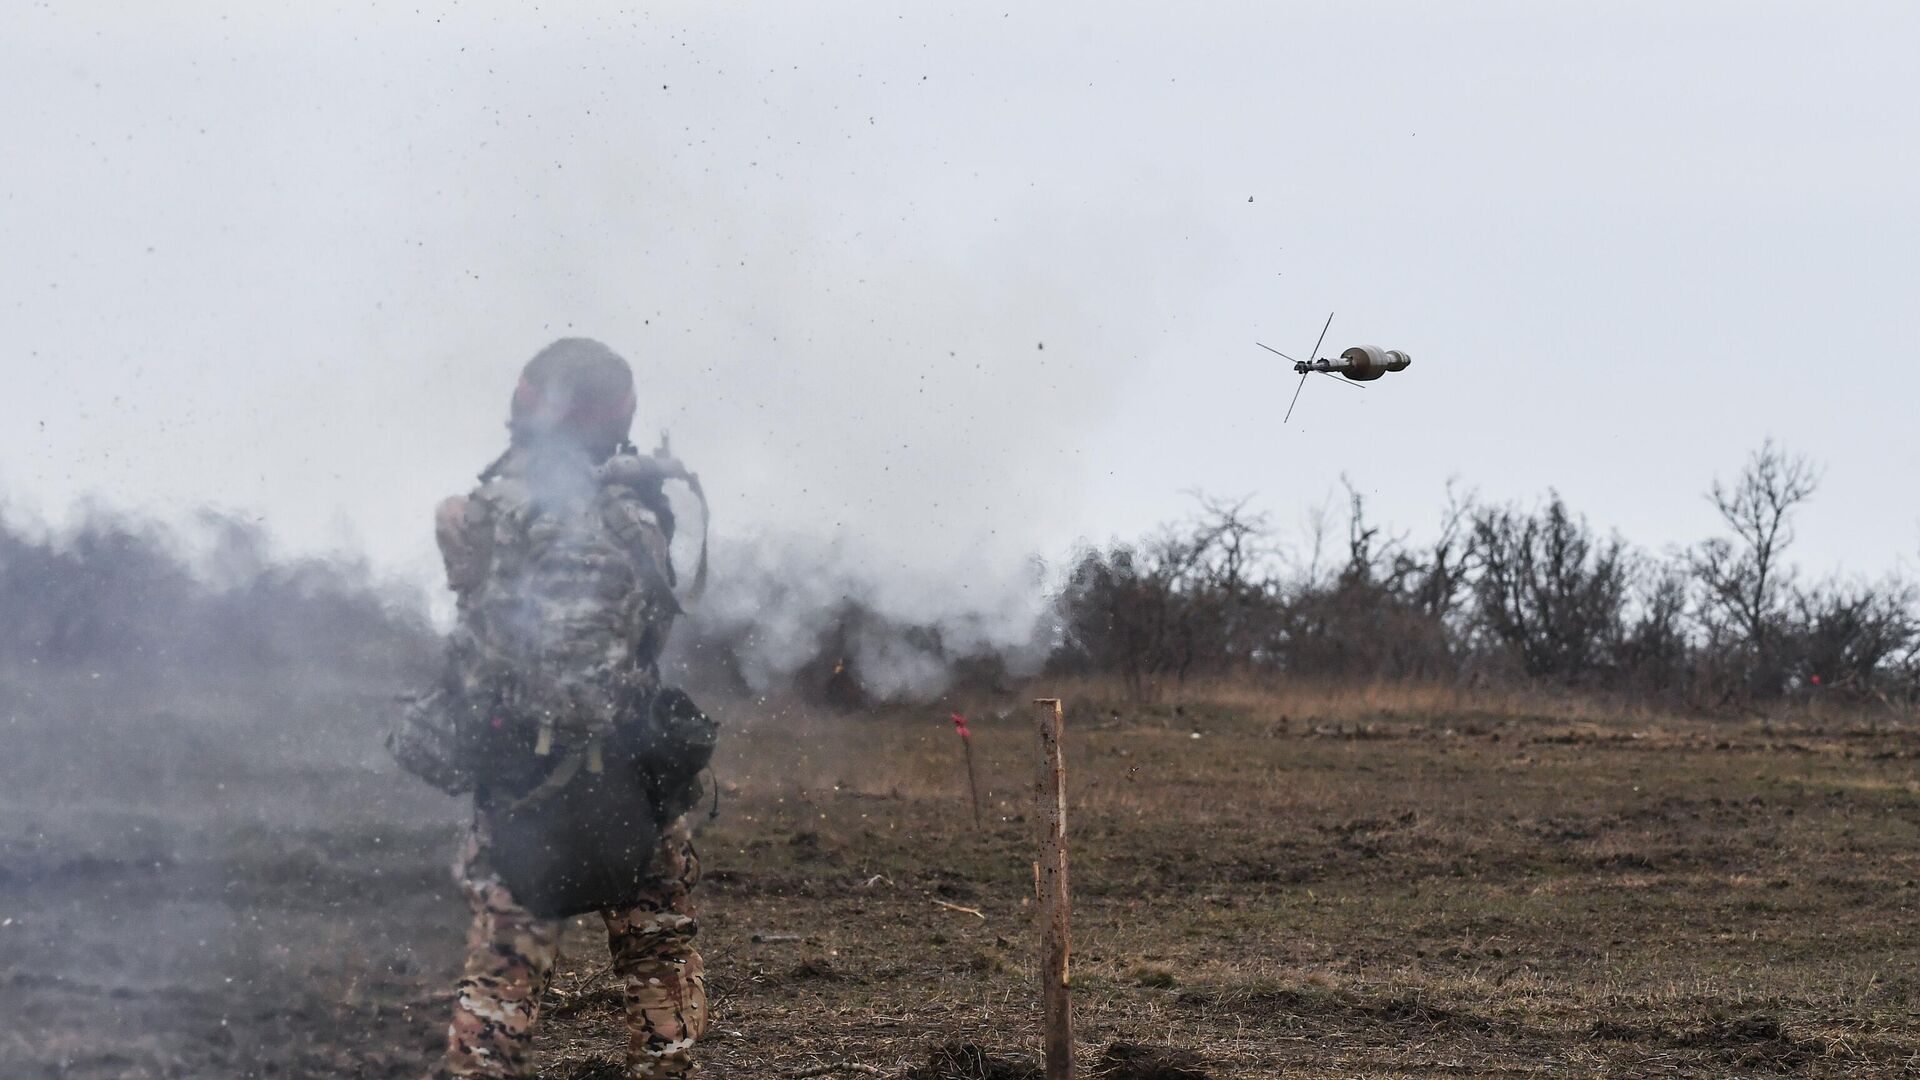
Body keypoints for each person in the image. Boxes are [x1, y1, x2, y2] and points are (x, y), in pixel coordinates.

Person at [393, 338, 712, 1080]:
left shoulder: (477, 516)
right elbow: (652, 619)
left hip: (519, 774)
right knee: (658, 955)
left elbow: (471, 588)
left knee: (505, 968)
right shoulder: (637, 518)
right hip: (630, 778)